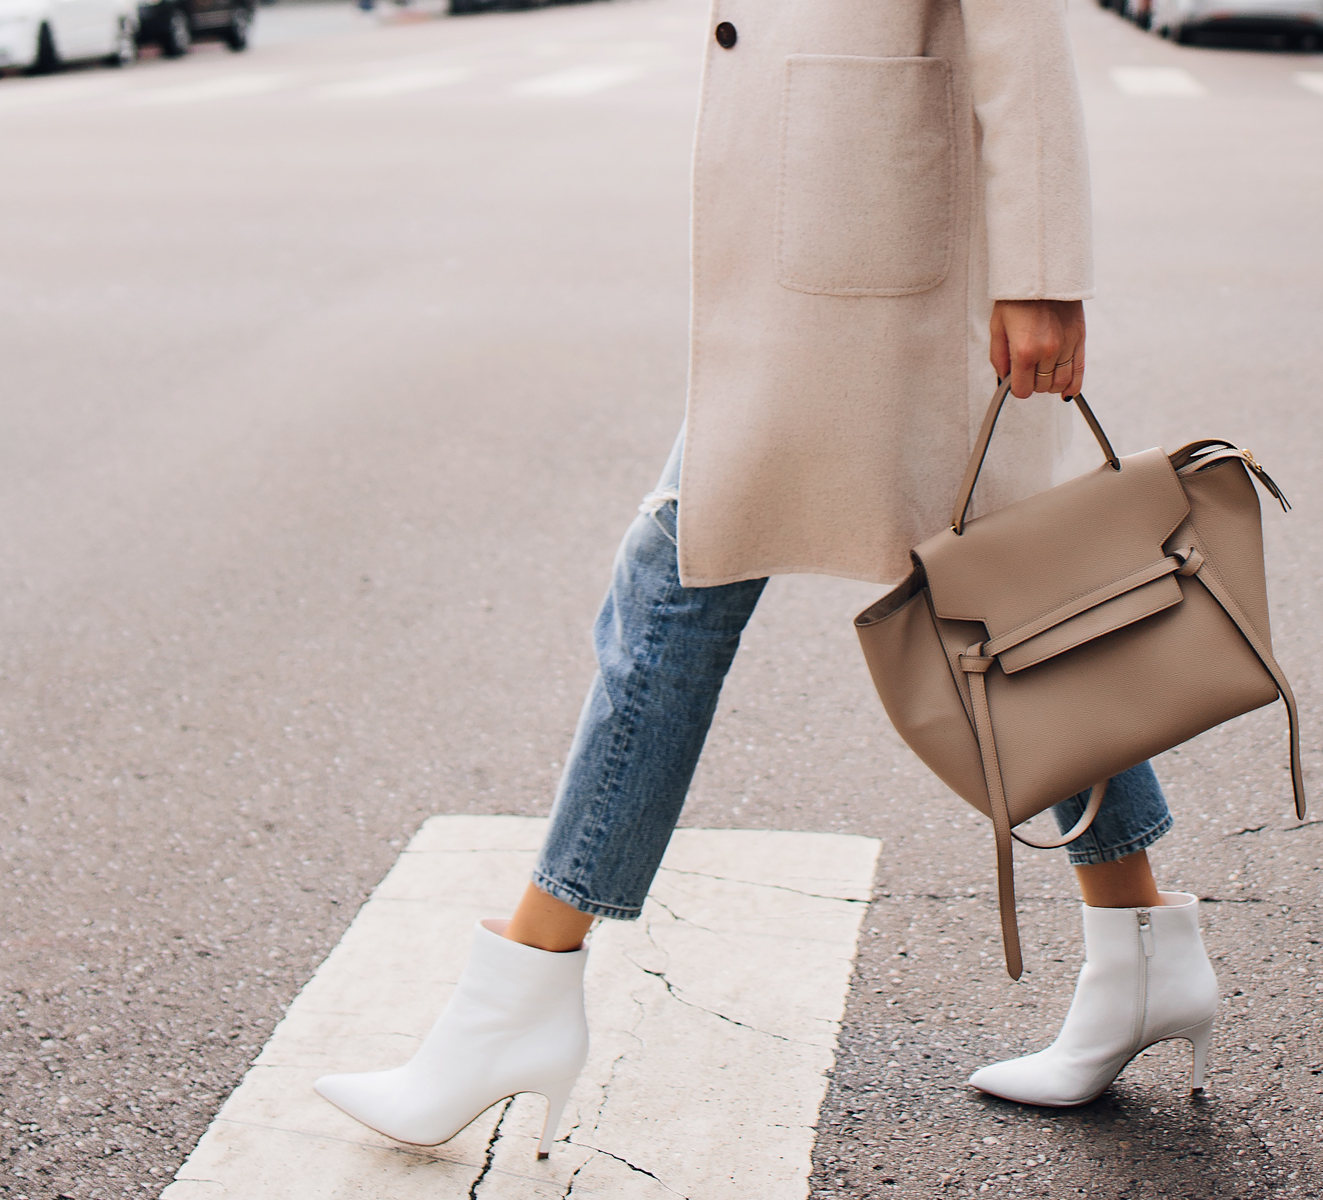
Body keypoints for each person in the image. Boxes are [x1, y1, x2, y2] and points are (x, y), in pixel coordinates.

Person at [313, 0, 1219, 1157]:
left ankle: (522, 987)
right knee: (1001, 603)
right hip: (840, 230)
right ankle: (1143, 951)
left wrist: (1041, 268)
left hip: (874, 249)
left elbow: (1019, 31)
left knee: (686, 580)